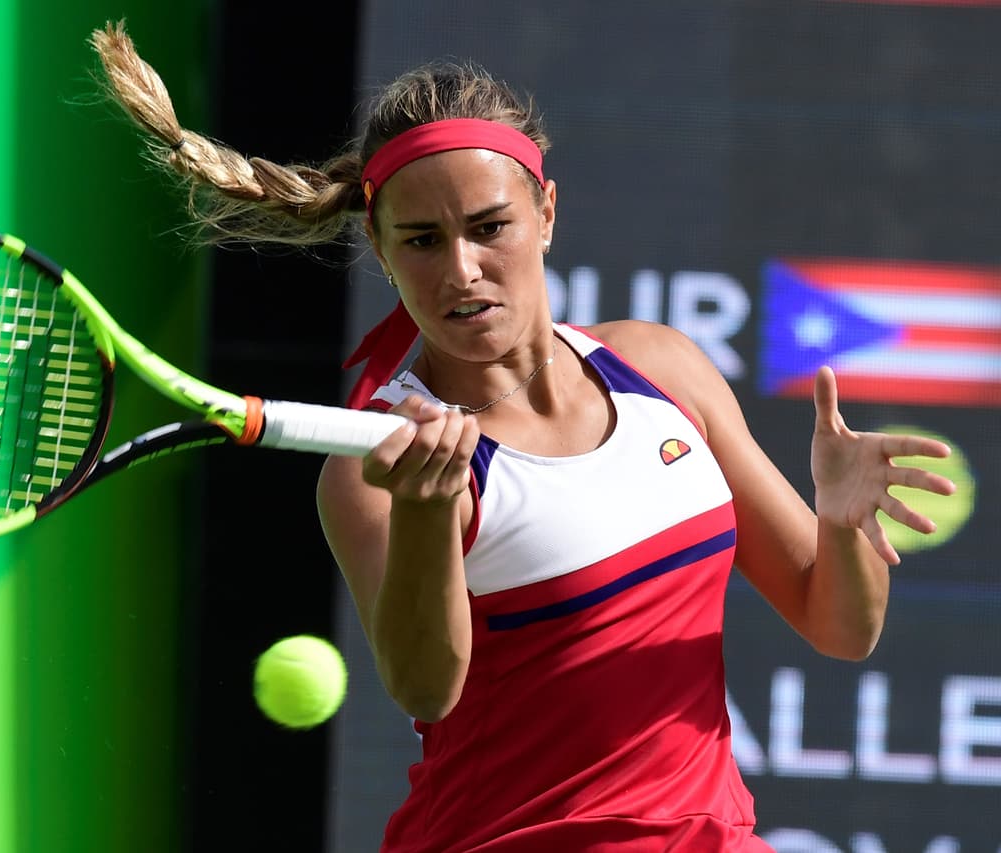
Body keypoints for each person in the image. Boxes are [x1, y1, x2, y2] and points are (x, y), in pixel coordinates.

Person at [92, 21, 957, 852]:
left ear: (545, 211)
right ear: (380, 248)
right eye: (422, 241)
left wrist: (840, 525)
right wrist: (432, 514)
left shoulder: (667, 369)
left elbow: (839, 624)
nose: (461, 270)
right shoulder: (371, 471)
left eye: (489, 226)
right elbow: (426, 685)